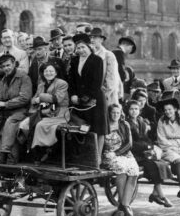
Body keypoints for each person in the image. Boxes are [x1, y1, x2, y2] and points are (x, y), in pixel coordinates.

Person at [68, 33, 108, 161]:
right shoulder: (74, 60)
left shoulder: (97, 60)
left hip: (95, 98)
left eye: (83, 47)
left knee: (98, 128)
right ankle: (85, 157)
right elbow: (72, 79)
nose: (80, 50)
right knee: (83, 127)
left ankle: (97, 158)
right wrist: (73, 94)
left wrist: (86, 98)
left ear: (89, 47)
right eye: (78, 48)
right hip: (78, 100)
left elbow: (97, 82)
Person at [126, 100, 173, 207]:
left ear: (139, 110)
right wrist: (146, 147)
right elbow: (130, 142)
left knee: (162, 164)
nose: (134, 111)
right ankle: (161, 195)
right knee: (152, 165)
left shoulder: (140, 121)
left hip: (144, 152)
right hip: (134, 153)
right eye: (131, 109)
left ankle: (155, 193)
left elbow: (146, 138)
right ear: (128, 110)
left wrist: (151, 147)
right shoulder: (127, 123)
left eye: (136, 109)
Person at [102, 104, 139, 216]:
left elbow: (129, 144)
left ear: (121, 113)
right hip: (109, 154)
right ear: (109, 113)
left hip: (124, 153)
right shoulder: (105, 125)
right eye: (113, 112)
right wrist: (110, 154)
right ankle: (123, 203)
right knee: (121, 168)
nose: (116, 115)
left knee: (134, 171)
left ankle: (125, 204)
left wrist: (117, 153)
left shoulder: (124, 124)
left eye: (118, 113)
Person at [28, 63, 69, 164]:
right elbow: (33, 99)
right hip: (44, 111)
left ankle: (43, 152)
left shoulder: (61, 83)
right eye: (46, 71)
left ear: (56, 73)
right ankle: (34, 151)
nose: (48, 73)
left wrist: (41, 98)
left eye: (51, 71)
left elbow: (57, 99)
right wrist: (35, 100)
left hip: (59, 112)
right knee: (25, 124)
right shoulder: (41, 85)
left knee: (40, 125)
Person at [157, 97, 180, 200]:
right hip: (168, 148)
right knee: (179, 161)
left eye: (170, 109)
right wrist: (173, 148)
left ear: (175, 109)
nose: (167, 112)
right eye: (165, 110)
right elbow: (161, 138)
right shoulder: (162, 121)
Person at [89, 27, 121, 105]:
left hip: (106, 97)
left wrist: (101, 96)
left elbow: (111, 79)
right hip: (91, 97)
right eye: (91, 37)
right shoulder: (89, 55)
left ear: (101, 40)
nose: (92, 40)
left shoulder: (108, 55)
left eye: (95, 38)